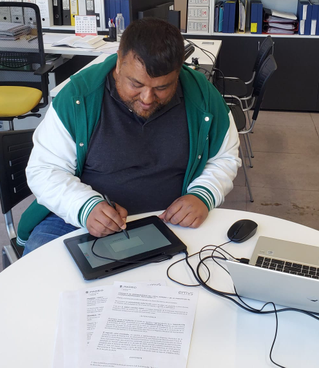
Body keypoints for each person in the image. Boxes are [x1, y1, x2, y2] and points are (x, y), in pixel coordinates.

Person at [17, 17, 241, 254]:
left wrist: (203, 194)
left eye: (162, 87)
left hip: (170, 217)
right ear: (118, 63)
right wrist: (84, 207)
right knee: (40, 264)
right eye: (136, 84)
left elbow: (224, 157)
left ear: (178, 73)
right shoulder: (78, 96)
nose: (147, 98)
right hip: (79, 215)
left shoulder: (203, 96)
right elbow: (45, 169)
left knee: (209, 267)